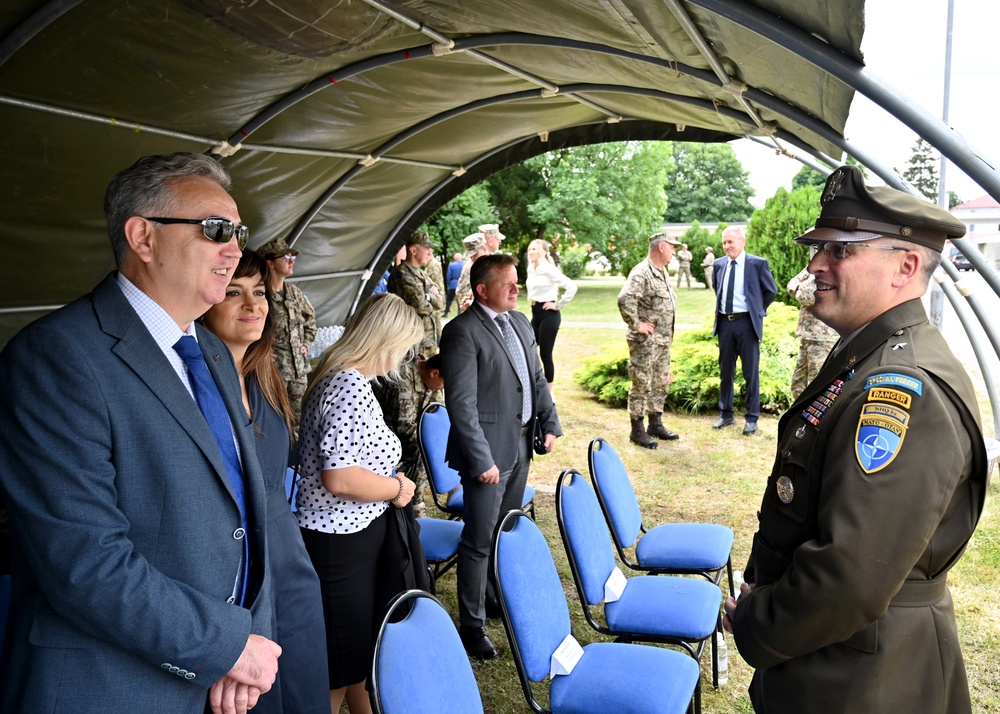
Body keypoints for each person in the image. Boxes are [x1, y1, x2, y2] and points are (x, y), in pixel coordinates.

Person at [0, 152, 280, 714]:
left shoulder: (211, 352)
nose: (234, 249)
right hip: (108, 686)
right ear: (142, 237)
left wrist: (245, 642)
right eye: (216, 229)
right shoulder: (56, 356)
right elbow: (84, 562)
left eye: (240, 233)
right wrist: (225, 646)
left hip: (220, 681)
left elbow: (247, 516)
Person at [723, 164, 989, 713]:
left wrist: (758, 622)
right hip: (839, 661)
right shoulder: (868, 355)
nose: (816, 265)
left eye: (840, 251)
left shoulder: (905, 386)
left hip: (863, 678)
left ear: (906, 267)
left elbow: (851, 576)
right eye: (819, 249)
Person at [200, 250, 330, 714]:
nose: (252, 305)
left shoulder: (264, 376)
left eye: (259, 292)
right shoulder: (192, 387)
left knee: (305, 677)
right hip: (234, 567)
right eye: (234, 292)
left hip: (287, 557)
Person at [295, 292, 423, 714]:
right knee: (338, 666)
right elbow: (341, 477)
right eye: (405, 345)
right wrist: (397, 489)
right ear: (386, 338)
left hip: (350, 539)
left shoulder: (343, 377)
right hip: (339, 545)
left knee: (356, 660)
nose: (406, 356)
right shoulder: (348, 384)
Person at [440, 254, 561, 660]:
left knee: (503, 532)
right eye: (507, 283)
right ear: (481, 290)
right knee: (477, 541)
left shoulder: (521, 322)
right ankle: (471, 626)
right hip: (488, 456)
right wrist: (481, 460)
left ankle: (493, 598)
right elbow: (461, 405)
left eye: (517, 281)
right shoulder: (461, 332)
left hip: (522, 444)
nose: (516, 288)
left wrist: (549, 421)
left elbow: (536, 378)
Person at [618, 232, 682, 448]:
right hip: (646, 342)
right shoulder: (642, 272)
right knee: (642, 382)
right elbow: (625, 299)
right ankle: (637, 429)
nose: (674, 251)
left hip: (663, 341)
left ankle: (655, 423)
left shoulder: (661, 272)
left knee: (661, 381)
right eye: (672, 246)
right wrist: (637, 324)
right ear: (661, 247)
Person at [712, 226, 777, 435]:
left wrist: (757, 310)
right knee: (725, 371)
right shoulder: (718, 264)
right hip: (724, 323)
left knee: (750, 372)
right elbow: (717, 287)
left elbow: (770, 291)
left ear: (743, 242)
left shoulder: (756, 264)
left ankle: (751, 418)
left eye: (730, 242)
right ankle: (726, 414)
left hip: (746, 323)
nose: (727, 246)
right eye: (724, 242)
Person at [371, 353, 445, 516]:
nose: (442, 389)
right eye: (443, 384)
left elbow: (438, 414)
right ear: (434, 373)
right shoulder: (403, 379)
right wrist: (432, 444)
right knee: (423, 450)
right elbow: (403, 425)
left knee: (435, 444)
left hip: (406, 431)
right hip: (385, 433)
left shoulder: (432, 378)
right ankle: (415, 505)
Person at [259, 236, 317, 412]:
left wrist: (305, 343)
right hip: (275, 373)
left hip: (299, 372)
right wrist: (261, 352)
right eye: (285, 258)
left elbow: (311, 322)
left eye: (292, 258)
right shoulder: (260, 295)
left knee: (300, 418)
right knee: (276, 417)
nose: (291, 262)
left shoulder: (294, 293)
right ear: (270, 263)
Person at [525, 238, 578, 390]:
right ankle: (532, 385)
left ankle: (548, 393)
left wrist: (558, 305)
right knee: (527, 346)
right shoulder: (531, 268)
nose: (531, 252)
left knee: (545, 355)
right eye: (529, 249)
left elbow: (572, 287)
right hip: (536, 313)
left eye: (534, 249)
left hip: (549, 315)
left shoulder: (548, 269)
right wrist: (533, 303)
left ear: (543, 251)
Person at [387, 231, 444, 360]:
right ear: (413, 251)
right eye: (427, 249)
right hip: (412, 343)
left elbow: (441, 302)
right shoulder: (402, 274)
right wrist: (430, 298)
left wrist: (427, 296)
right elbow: (421, 307)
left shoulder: (421, 274)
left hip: (427, 341)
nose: (430, 253)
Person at [786, 261, 838, 399]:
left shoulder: (832, 268)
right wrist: (800, 288)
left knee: (816, 387)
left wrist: (800, 288)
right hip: (807, 335)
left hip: (823, 338)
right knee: (798, 384)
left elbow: (807, 296)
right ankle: (799, 419)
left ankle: (816, 420)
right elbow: (791, 285)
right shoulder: (813, 267)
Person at [455, 231, 488, 313]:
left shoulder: (490, 265)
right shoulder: (471, 266)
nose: (472, 258)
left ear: (484, 249)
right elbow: (461, 292)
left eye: (474, 254)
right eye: (470, 255)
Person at [445, 251, 464, 316]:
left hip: (453, 284)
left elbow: (448, 276)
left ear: (455, 258)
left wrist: (448, 284)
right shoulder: (464, 264)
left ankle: (446, 312)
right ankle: (459, 313)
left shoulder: (451, 265)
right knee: (460, 299)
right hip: (461, 284)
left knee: (449, 299)